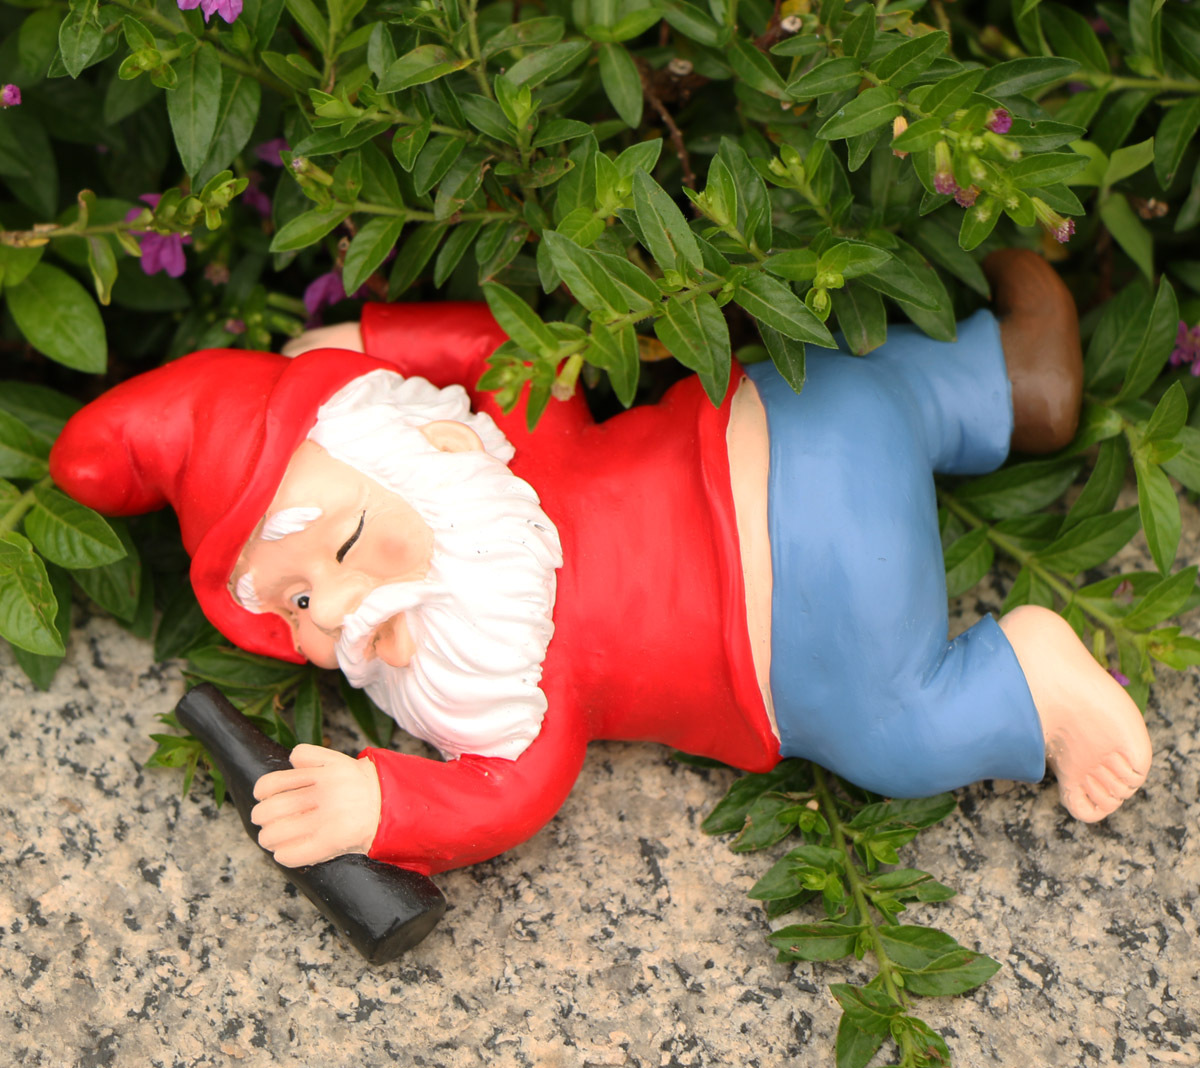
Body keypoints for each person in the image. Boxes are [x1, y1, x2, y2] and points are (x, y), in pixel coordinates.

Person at [49, 250, 1152, 877]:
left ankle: (1025, 678)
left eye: (339, 548)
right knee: (866, 387)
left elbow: (513, 794)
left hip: (805, 650)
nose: (339, 605)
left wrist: (382, 808)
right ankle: (1005, 383)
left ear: (427, 447)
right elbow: (508, 346)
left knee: (903, 738)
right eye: (297, 602)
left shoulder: (515, 507)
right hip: (804, 440)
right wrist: (377, 342)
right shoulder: (503, 633)